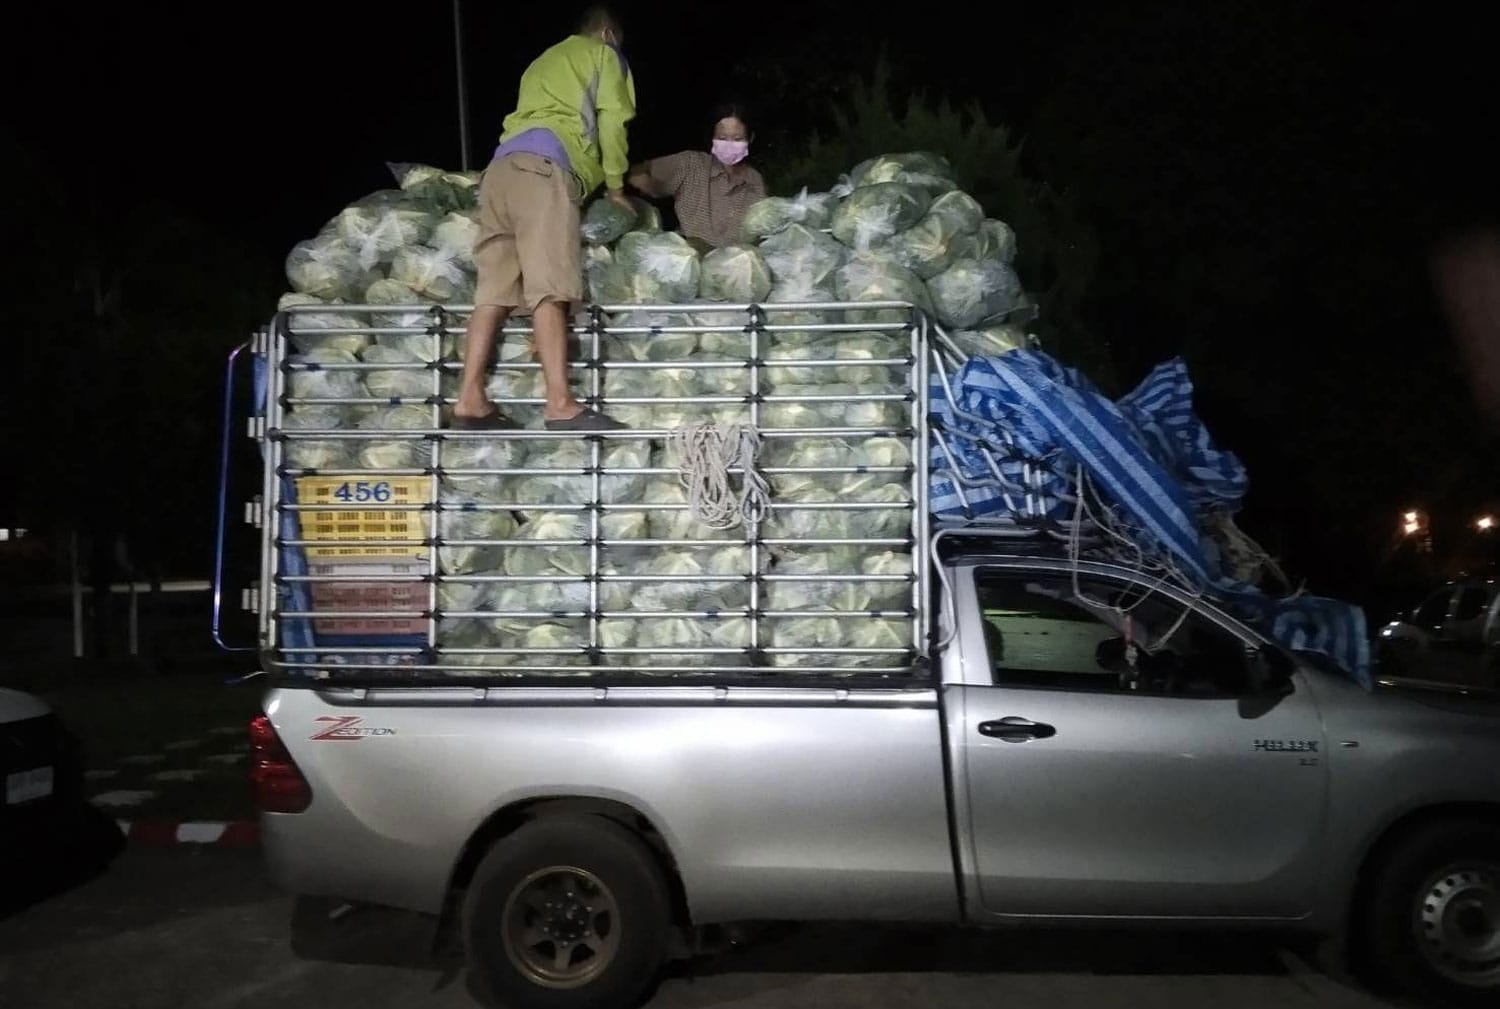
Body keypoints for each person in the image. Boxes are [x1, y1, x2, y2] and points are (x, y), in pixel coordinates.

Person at [453, 6, 632, 432]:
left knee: (493, 293)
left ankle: (470, 399)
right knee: (550, 286)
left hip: (499, 172)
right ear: (607, 33)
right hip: (545, 169)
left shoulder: (541, 62)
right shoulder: (603, 55)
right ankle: (560, 403)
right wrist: (616, 187)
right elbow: (613, 124)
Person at [627, 103, 766, 252]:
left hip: (731, 269)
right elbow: (640, 170)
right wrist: (643, 179)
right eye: (722, 138)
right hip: (687, 261)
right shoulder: (691, 164)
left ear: (750, 138)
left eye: (737, 139)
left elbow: (759, 232)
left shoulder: (755, 181)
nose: (729, 144)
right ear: (712, 137)